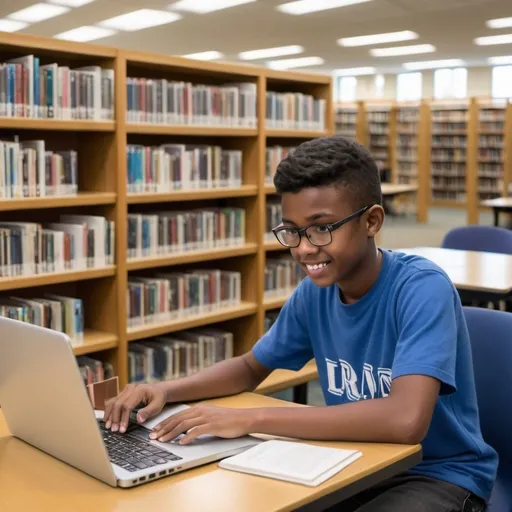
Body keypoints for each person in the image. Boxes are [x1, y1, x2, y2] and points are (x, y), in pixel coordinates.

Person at [104, 136, 497, 511]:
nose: (305, 247)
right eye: (292, 230)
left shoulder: (420, 288)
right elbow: (248, 368)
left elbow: (405, 420)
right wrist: (165, 390)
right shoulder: (316, 291)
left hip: (437, 475)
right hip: (356, 462)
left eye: (322, 227)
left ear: (372, 221)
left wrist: (250, 417)